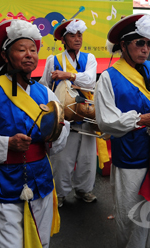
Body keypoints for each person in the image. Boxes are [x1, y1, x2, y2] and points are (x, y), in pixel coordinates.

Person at [0, 19, 70, 247]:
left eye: (32, 50)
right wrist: (6, 143)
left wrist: (56, 133)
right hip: (1, 181)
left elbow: (60, 132)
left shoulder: (46, 93)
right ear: (5, 55)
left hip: (40, 178)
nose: (29, 55)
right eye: (21, 50)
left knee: (41, 241)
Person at [95, 14, 150, 248]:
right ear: (123, 45)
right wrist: (140, 119)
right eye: (140, 43)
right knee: (131, 214)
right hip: (130, 156)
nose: (146, 49)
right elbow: (106, 121)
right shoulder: (109, 77)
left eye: (148, 43)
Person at [40, 19, 98, 206]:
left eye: (79, 35)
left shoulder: (89, 58)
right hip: (64, 117)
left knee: (87, 158)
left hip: (87, 114)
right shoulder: (53, 60)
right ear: (64, 40)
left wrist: (68, 75)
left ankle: (84, 190)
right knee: (63, 158)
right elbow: (45, 87)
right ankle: (60, 193)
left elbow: (90, 81)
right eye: (72, 35)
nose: (77, 39)